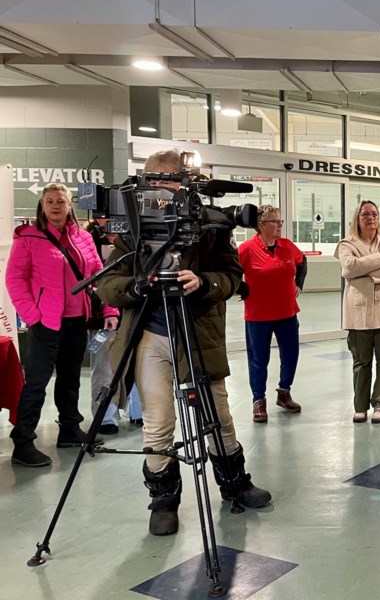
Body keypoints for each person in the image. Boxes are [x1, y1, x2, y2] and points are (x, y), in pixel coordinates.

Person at [98, 149, 271, 537]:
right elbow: (107, 285)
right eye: (154, 182)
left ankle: (234, 485)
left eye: (171, 180)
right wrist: (136, 286)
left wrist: (204, 282)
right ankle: (163, 501)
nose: (163, 189)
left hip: (197, 333)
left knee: (219, 420)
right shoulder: (132, 228)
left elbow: (232, 276)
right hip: (150, 335)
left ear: (186, 182)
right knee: (158, 424)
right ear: (143, 184)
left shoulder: (210, 224)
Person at [5, 183, 119, 467]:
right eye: (49, 201)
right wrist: (32, 316)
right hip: (45, 322)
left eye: (61, 201)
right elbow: (15, 280)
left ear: (70, 206)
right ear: (41, 206)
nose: (55, 206)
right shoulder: (28, 238)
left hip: (76, 319)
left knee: (69, 379)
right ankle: (23, 442)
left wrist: (109, 308)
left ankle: (69, 429)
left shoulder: (83, 238)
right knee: (37, 383)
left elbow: (99, 276)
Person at [334, 200, 380, 424]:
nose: (371, 218)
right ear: (357, 218)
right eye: (365, 214)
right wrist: (378, 261)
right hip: (358, 312)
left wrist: (365, 272)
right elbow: (348, 268)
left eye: (375, 214)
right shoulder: (346, 244)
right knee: (361, 361)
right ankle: (359, 407)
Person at [238, 205, 307, 423]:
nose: (279, 225)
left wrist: (299, 284)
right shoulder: (247, 249)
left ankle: (284, 392)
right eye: (274, 221)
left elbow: (302, 262)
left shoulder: (287, 246)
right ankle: (258, 400)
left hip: (287, 312)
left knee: (291, 355)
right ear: (261, 225)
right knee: (259, 359)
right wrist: (241, 289)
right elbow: (230, 272)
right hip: (258, 315)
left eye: (280, 221)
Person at [84, 219, 142, 433]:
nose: (111, 225)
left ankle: (139, 412)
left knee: (139, 364)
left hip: (134, 311)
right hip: (101, 319)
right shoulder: (88, 241)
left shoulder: (139, 237)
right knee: (103, 369)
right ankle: (105, 416)